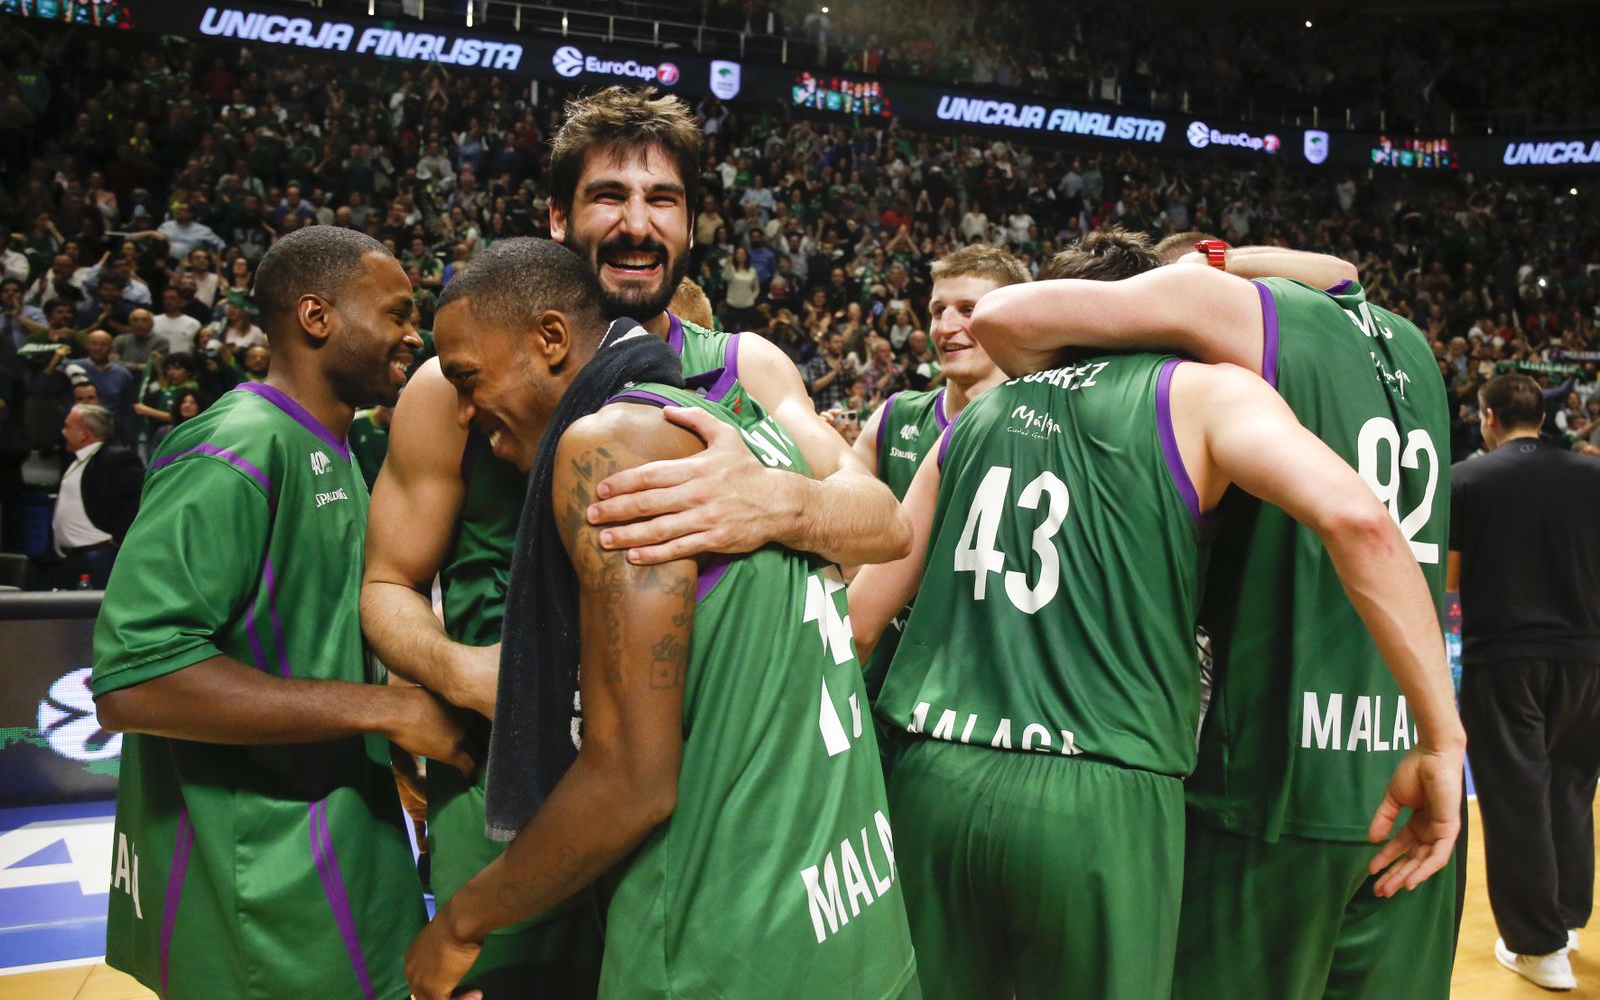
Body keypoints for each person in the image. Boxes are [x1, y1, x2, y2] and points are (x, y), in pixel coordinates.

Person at [362, 86, 906, 998]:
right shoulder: (453, 386)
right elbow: (386, 583)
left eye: (663, 200)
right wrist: (461, 674)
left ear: (691, 225)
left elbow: (882, 520)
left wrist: (772, 500)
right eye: (609, 195)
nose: (636, 223)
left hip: (692, 788)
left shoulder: (746, 367)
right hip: (516, 774)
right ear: (559, 217)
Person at [850, 255, 1463, 998]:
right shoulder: (1203, 396)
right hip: (1098, 786)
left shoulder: (975, 417)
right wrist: (1441, 734)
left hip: (933, 777)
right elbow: (1361, 518)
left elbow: (857, 622)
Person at [90, 226, 476, 1000]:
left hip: (336, 868)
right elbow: (134, 683)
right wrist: (386, 710)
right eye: (396, 313)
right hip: (262, 896)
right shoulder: (233, 447)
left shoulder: (329, 449)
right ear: (315, 315)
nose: (411, 334)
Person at [1450, 373, 1600, 992]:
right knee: (1570, 786)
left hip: (1507, 655)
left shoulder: (1468, 480)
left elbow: (1451, 579)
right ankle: (1565, 919)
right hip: (1589, 658)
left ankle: (1537, 947)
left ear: (1488, 418)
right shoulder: (1593, 475)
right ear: (1543, 418)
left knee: (1515, 797)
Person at [851, 244, 1027, 768]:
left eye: (968, 309)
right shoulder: (894, 418)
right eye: (937, 310)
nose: (947, 325)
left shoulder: (1039, 430)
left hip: (983, 712)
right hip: (877, 692)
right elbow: (839, 540)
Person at [50, 403, 142, 588]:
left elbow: (137, 500)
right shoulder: (80, 460)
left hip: (99, 557)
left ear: (84, 434)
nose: (63, 431)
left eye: (68, 426)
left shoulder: (116, 458)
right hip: (74, 558)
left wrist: (116, 541)